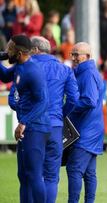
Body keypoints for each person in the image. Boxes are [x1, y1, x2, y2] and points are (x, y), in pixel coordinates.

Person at [0, 34, 50, 203]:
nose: (7, 51)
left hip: (36, 127)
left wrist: (24, 122)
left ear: (20, 53)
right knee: (23, 175)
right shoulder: (20, 67)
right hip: (27, 126)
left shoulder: (33, 70)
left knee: (34, 175)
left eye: (10, 48)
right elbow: (5, 76)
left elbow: (43, 102)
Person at [31, 36, 79, 203]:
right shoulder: (64, 70)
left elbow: (15, 98)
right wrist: (61, 114)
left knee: (33, 174)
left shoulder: (27, 67)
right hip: (55, 127)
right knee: (52, 175)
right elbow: (73, 98)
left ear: (35, 50)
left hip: (33, 126)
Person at [66, 42, 105, 203]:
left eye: (77, 54)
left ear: (87, 57)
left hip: (86, 130)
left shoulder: (88, 73)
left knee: (74, 168)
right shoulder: (85, 72)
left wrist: (67, 108)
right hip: (91, 128)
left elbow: (89, 101)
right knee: (89, 173)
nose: (74, 58)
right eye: (72, 54)